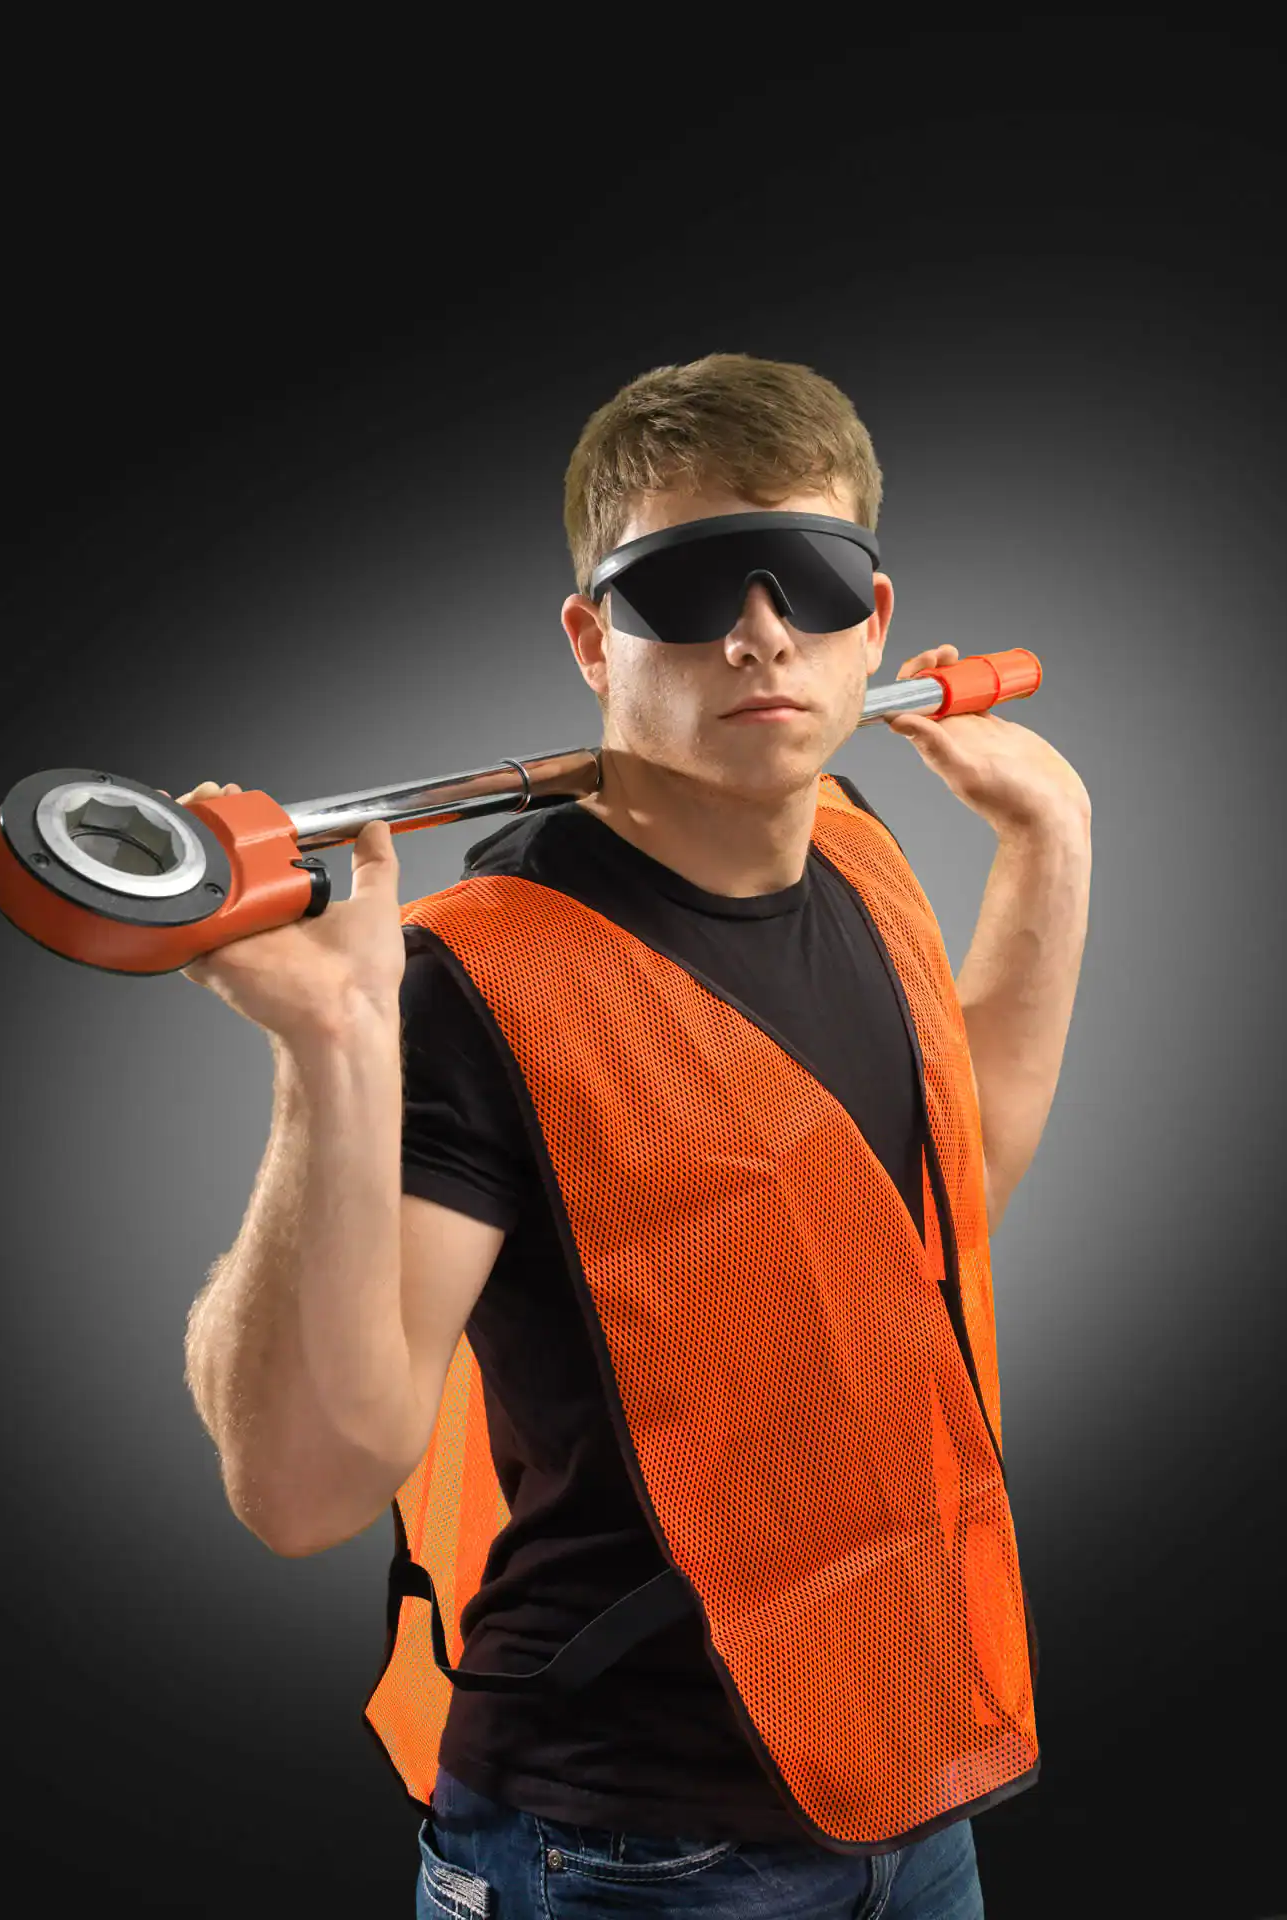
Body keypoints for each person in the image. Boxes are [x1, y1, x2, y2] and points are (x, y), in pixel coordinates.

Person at [181, 352, 1093, 1919]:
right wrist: (331, 1046)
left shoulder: (866, 863)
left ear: (873, 624)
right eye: (680, 589)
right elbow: (303, 1485)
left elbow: (947, 1192)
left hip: (901, 1788)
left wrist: (1049, 844)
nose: (757, 632)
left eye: (806, 579)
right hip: (623, 1851)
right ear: (592, 640)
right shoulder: (474, 981)